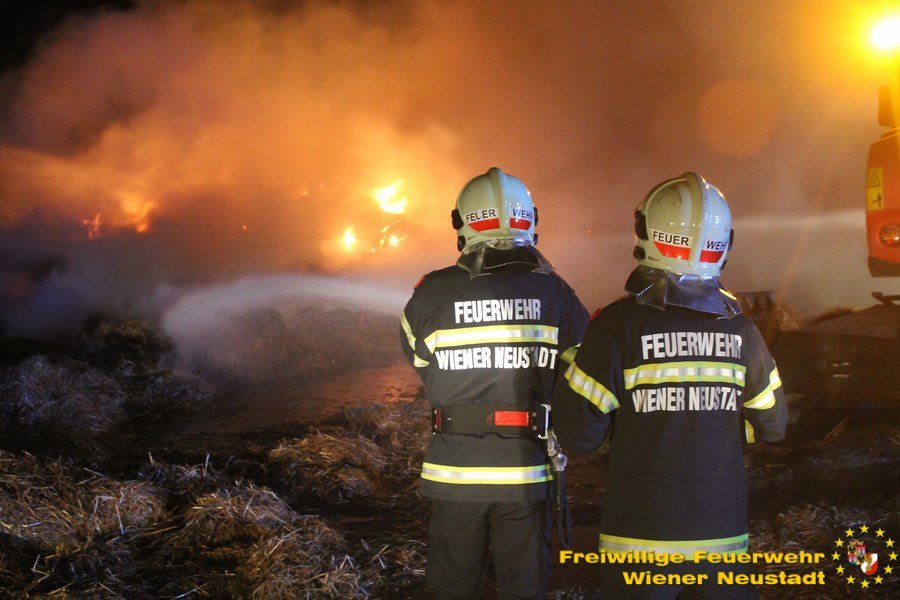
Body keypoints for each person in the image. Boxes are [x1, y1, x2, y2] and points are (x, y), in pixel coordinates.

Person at [551, 172, 787, 600]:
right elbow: (772, 425)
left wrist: (630, 428)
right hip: (721, 542)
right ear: (723, 245)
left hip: (639, 541)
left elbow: (579, 435)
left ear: (646, 232)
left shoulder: (616, 326)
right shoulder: (742, 330)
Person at [400, 167, 588, 600]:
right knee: (524, 588)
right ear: (530, 221)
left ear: (463, 223)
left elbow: (421, 362)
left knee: (451, 588)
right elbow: (578, 370)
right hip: (525, 472)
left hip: (454, 471)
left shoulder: (431, 292)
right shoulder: (556, 292)